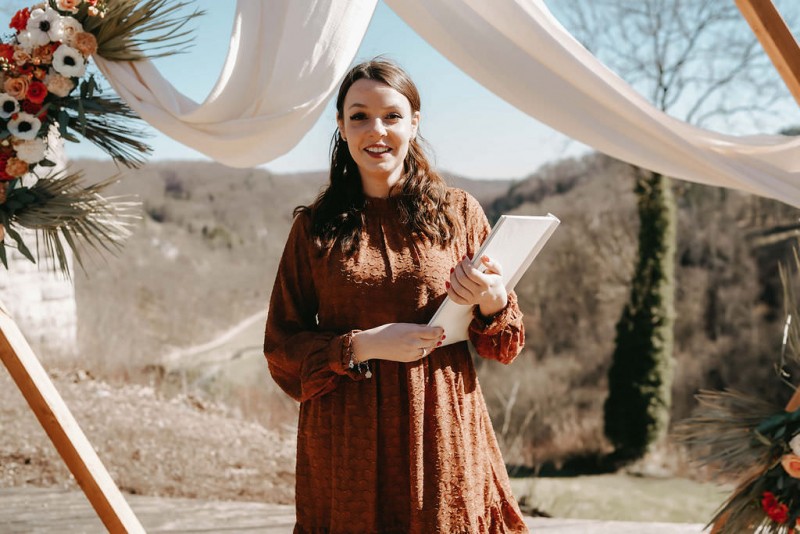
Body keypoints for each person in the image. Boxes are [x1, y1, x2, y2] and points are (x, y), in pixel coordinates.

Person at [264, 58, 529, 533]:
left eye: (391, 115)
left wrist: (492, 300)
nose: (376, 130)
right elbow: (282, 350)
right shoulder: (314, 229)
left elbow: (503, 345)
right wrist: (362, 345)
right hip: (347, 438)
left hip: (441, 426)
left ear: (414, 123)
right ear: (342, 128)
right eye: (359, 116)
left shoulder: (459, 214)